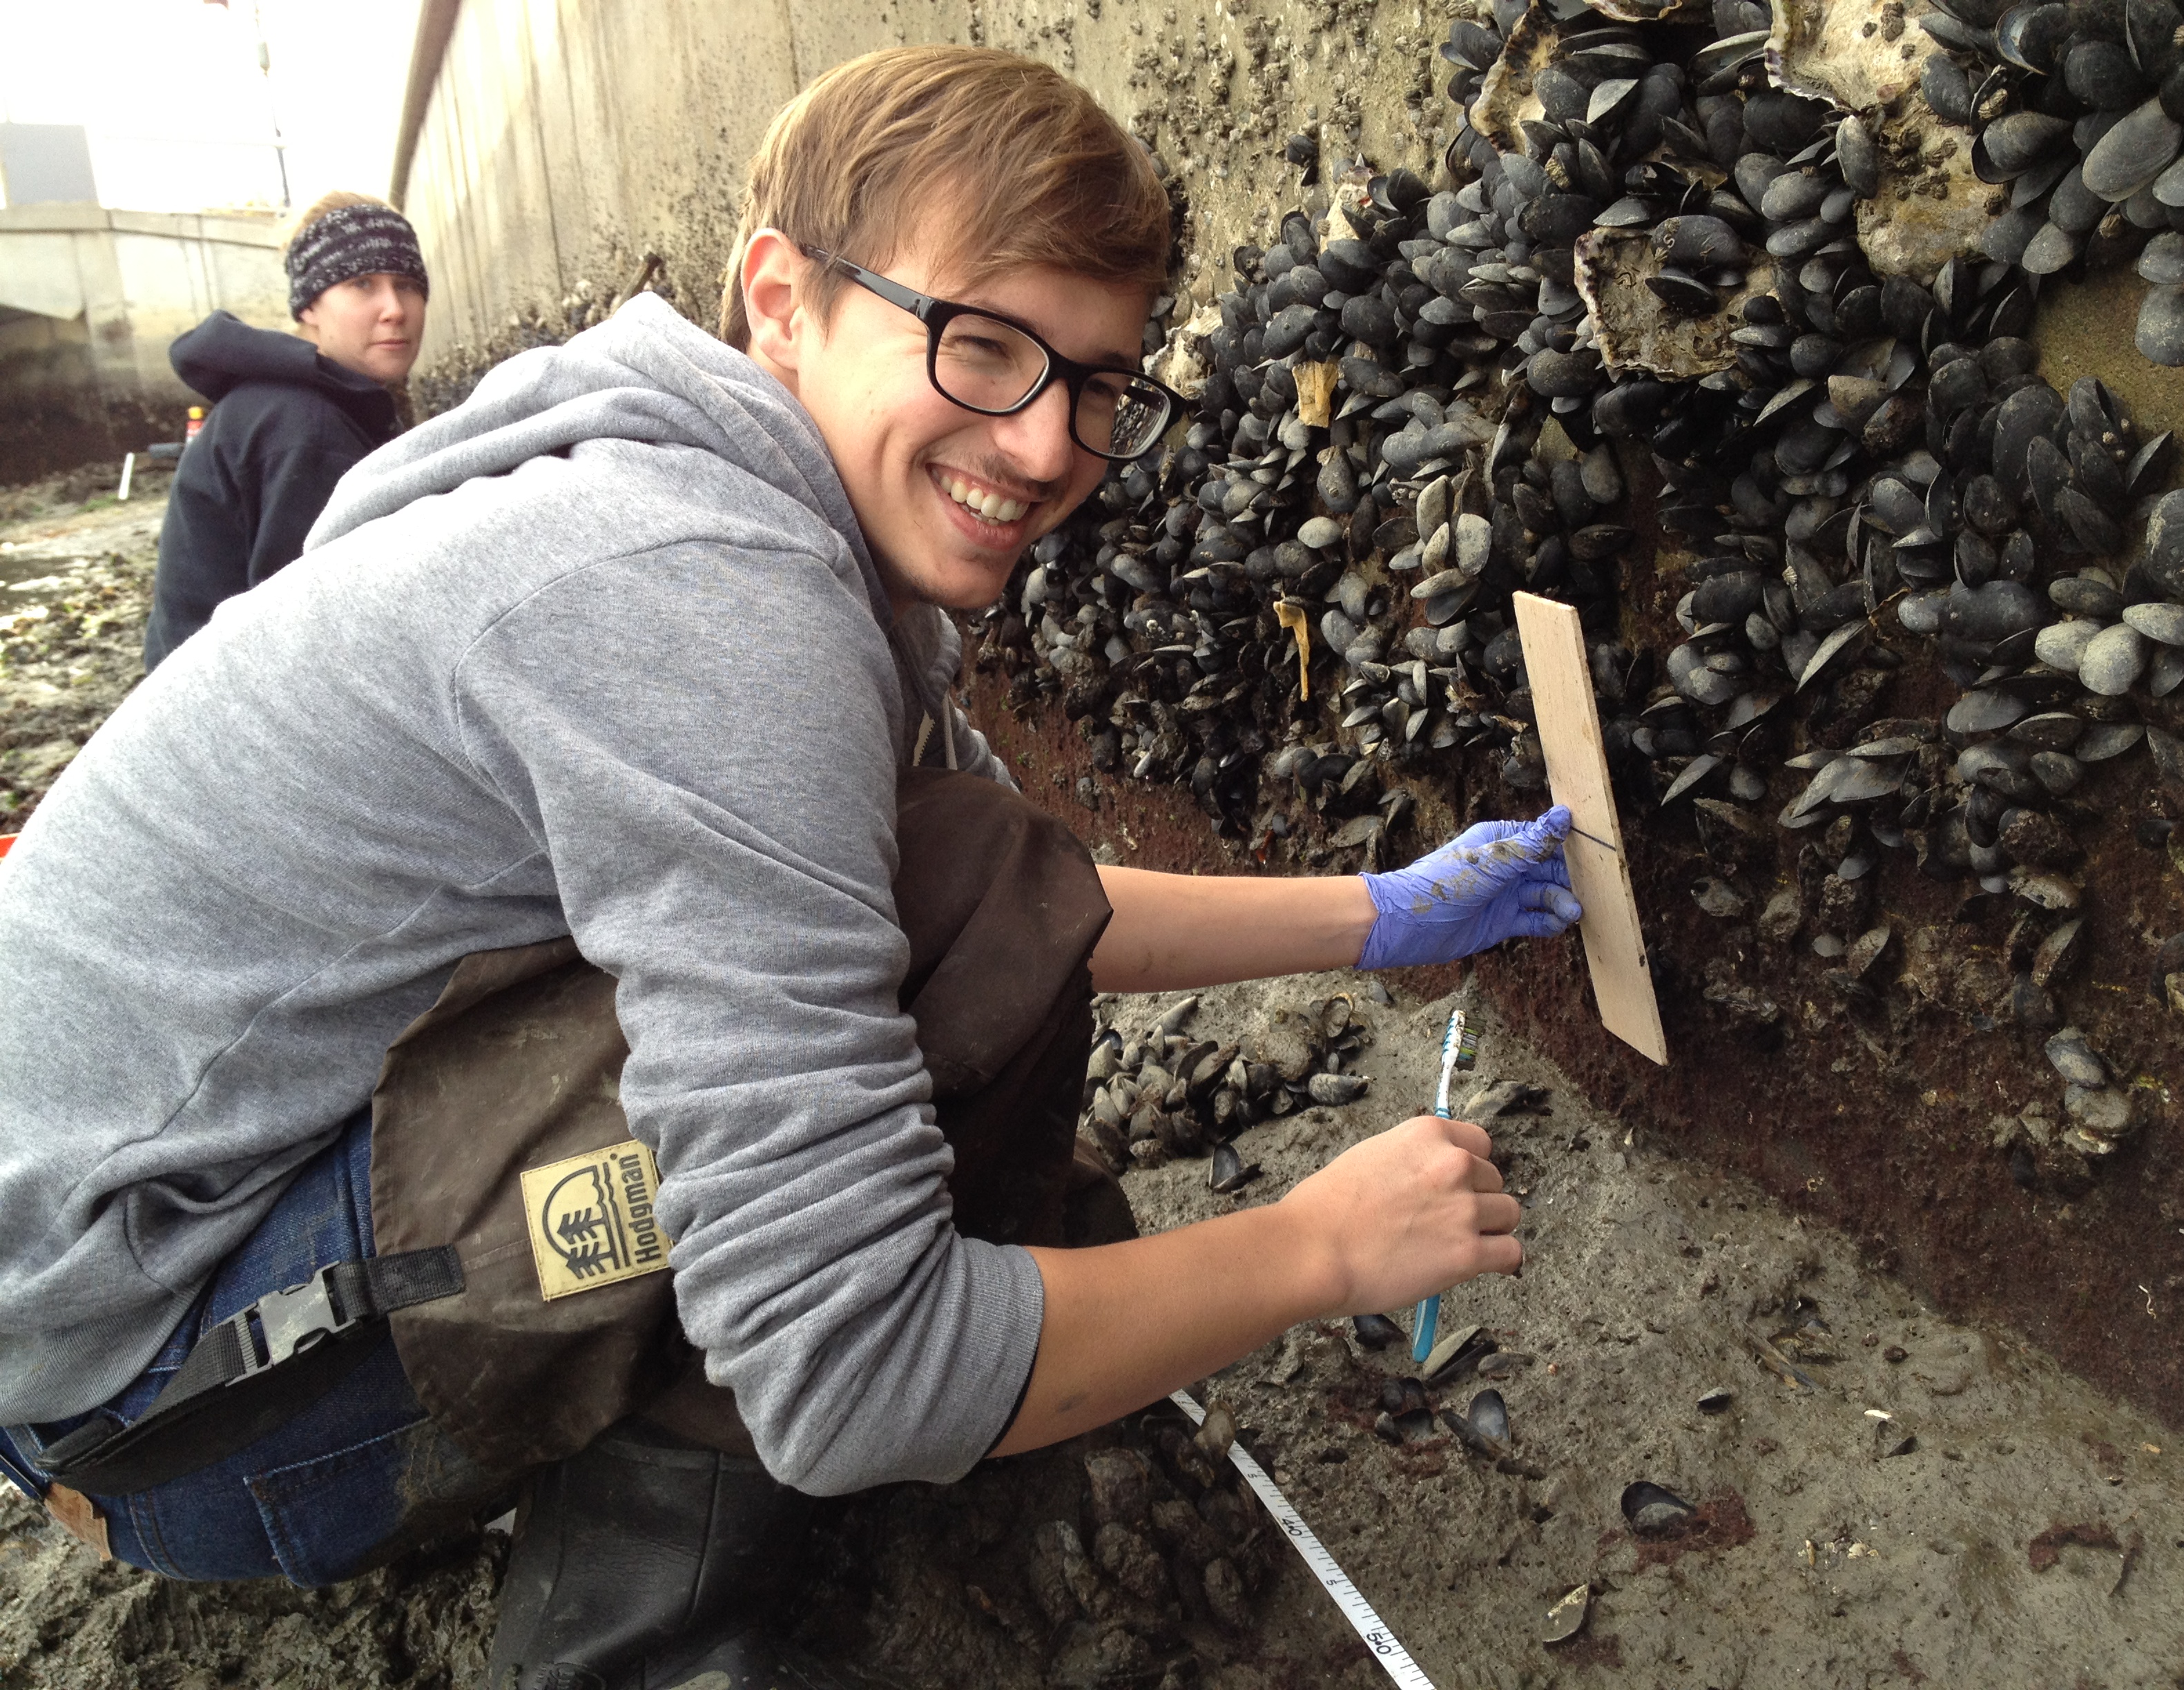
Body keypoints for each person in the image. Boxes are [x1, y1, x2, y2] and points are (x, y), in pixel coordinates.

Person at [0, 46, 1581, 1689]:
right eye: (980, 345)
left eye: (1099, 382)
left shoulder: (723, 505)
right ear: (781, 298)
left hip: (151, 1293)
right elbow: (853, 1365)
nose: (1046, 445)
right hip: (173, 1402)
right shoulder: (707, 592)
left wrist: (1383, 916)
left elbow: (1005, 902)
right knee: (837, 1248)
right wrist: (1310, 1246)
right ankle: (645, 1647)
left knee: (926, 910)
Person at [140, 191, 427, 670]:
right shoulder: (305, 427)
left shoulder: (296, 403)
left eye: (406, 285)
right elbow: (313, 642)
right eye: (362, 284)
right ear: (310, 307)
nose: (394, 308)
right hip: (226, 721)